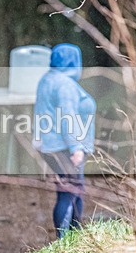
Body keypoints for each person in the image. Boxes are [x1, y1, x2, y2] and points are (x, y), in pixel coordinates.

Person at [33, 43, 96, 239]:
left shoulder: (48, 79)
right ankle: (63, 243)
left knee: (73, 190)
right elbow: (67, 117)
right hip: (63, 147)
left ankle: (74, 238)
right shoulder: (65, 85)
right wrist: (76, 147)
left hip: (51, 145)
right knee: (68, 193)